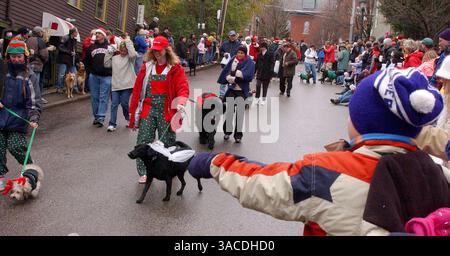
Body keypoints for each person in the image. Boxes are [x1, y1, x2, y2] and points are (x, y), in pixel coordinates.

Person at [188, 67, 450, 236]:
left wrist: (215, 163)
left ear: (362, 121)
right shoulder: (436, 174)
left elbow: (265, 186)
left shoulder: (326, 172)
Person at [129, 36, 189, 184]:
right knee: (144, 140)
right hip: (148, 108)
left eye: (159, 50)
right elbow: (138, 89)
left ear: (166, 50)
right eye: (154, 50)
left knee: (167, 141)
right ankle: (144, 172)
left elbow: (183, 87)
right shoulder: (147, 67)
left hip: (166, 109)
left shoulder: (175, 68)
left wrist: (180, 102)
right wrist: (134, 108)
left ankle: (169, 169)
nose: (156, 53)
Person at [0, 40, 41, 192]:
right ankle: (0, 177)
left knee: (16, 146)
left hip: (18, 117)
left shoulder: (29, 76)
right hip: (1, 115)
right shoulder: (3, 72)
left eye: (19, 56)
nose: (16, 59)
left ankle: (30, 167)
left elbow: (34, 100)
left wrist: (34, 117)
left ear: (24, 56)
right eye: (12, 56)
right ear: (8, 56)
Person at [217, 46, 255, 143]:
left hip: (242, 91)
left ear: (245, 54)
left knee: (239, 114)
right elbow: (226, 71)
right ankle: (227, 132)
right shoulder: (233, 59)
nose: (240, 54)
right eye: (238, 52)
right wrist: (228, 78)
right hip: (232, 90)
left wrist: (235, 76)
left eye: (242, 53)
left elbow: (248, 75)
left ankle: (238, 135)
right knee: (229, 112)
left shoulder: (249, 62)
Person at [104, 39, 137, 132]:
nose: (123, 52)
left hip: (127, 85)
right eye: (121, 50)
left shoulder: (130, 58)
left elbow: (133, 54)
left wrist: (127, 42)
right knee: (114, 104)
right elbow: (106, 64)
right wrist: (109, 52)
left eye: (125, 50)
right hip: (116, 85)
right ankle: (112, 124)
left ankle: (128, 119)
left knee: (124, 103)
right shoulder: (115, 58)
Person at [85, 28, 112, 128]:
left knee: (103, 97)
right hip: (94, 76)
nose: (97, 35)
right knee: (94, 97)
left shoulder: (109, 47)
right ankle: (96, 116)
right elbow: (87, 61)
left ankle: (101, 117)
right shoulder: (91, 47)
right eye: (96, 33)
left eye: (99, 33)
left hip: (107, 76)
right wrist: (89, 72)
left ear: (103, 35)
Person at [26, 26, 49, 104]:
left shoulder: (27, 40)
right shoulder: (40, 41)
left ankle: (28, 99)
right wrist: (45, 60)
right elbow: (44, 54)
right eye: (42, 32)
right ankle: (35, 101)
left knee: (28, 83)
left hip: (28, 64)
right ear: (39, 33)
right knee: (36, 83)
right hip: (37, 64)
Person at [56, 28, 78, 94]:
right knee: (62, 74)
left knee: (74, 73)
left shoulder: (74, 40)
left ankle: (73, 87)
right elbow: (60, 47)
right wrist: (69, 52)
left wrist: (75, 54)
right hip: (64, 59)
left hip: (71, 60)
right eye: (76, 32)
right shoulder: (65, 38)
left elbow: (74, 50)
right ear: (73, 33)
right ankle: (59, 87)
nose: (77, 33)